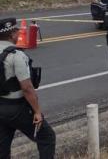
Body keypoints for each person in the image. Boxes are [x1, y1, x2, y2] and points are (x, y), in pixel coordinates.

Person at [0, 18, 55, 158]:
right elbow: (27, 88)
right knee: (46, 137)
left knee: (2, 148)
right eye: (17, 30)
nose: (19, 32)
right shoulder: (16, 55)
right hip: (17, 107)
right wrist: (37, 111)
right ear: (12, 34)